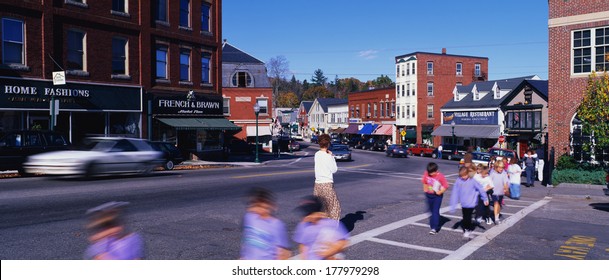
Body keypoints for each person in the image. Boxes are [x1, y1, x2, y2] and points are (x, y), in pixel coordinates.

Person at [240, 188, 291, 260]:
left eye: (264, 207)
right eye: (257, 205)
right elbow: (247, 239)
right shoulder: (249, 217)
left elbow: (284, 253)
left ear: (272, 207)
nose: (260, 209)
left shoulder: (276, 225)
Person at [293, 195, 349, 260]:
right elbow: (303, 246)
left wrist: (327, 253)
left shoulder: (331, 224)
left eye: (308, 214)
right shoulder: (303, 226)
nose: (306, 217)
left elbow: (343, 243)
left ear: (317, 213)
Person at [450, 167, 489, 239]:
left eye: (465, 175)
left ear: (468, 174)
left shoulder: (472, 181)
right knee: (465, 216)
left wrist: (485, 198)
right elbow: (455, 192)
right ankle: (467, 229)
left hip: (471, 203)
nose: (463, 177)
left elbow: (481, 189)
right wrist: (453, 204)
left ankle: (467, 230)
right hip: (464, 203)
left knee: (467, 217)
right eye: (462, 176)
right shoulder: (459, 181)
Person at [314, 134, 340, 220]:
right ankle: (331, 229)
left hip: (317, 185)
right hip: (327, 185)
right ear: (328, 144)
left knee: (321, 209)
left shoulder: (317, 154)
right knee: (334, 209)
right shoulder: (328, 156)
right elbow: (334, 169)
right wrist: (332, 156)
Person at [421, 162, 449, 235]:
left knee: (435, 211)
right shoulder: (426, 173)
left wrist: (440, 191)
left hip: (437, 196)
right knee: (430, 210)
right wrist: (425, 190)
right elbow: (424, 182)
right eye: (429, 172)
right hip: (429, 195)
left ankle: (434, 228)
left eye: (432, 173)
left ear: (436, 171)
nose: (430, 174)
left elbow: (446, 186)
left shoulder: (441, 177)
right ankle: (434, 222)